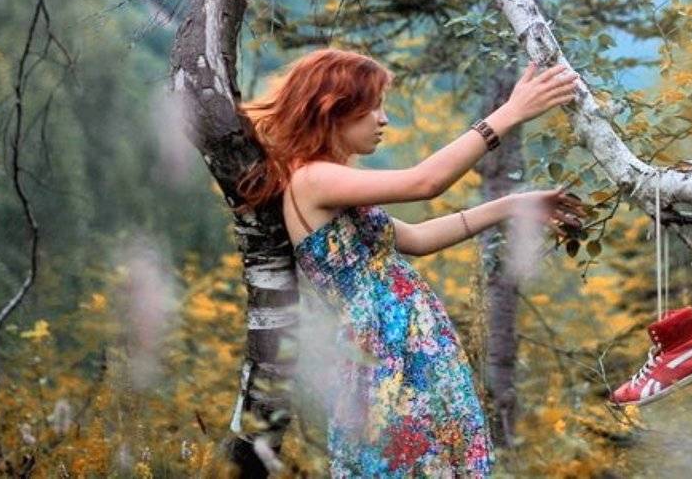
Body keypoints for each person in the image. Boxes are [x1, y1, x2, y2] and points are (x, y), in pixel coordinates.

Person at [235, 49, 584, 477]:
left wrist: (512, 205)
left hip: (408, 346)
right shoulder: (312, 179)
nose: (383, 119)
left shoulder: (326, 181)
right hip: (386, 354)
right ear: (333, 109)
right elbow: (425, 182)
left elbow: (418, 239)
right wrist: (509, 114)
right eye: (372, 107)